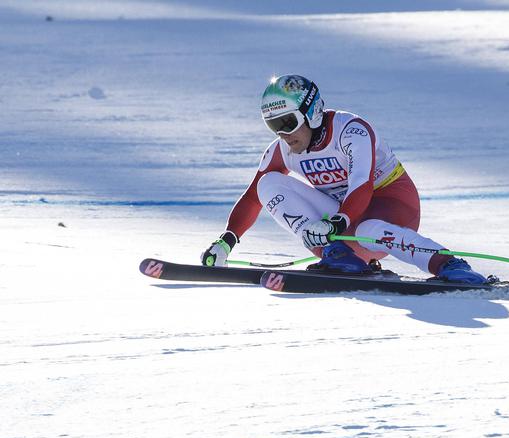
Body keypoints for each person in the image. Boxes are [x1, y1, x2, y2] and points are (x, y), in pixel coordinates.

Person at [201, 74, 487, 284]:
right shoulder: (283, 150)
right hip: (344, 217)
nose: (282, 134)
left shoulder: (351, 131)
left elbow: (361, 184)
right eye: (273, 125)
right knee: (268, 184)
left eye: (287, 122)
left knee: (371, 227)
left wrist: (337, 221)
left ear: (310, 113)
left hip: (391, 204)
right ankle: (339, 255)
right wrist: (226, 241)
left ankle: (448, 263)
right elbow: (254, 196)